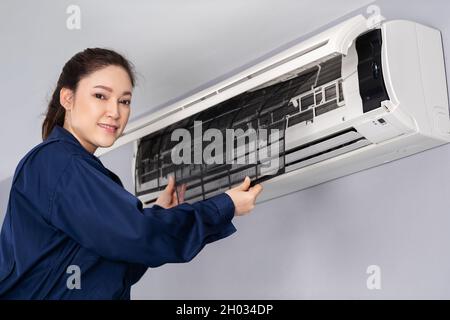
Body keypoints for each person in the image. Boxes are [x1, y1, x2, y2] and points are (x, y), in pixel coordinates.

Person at [0, 48, 263, 299]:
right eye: (100, 96)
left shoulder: (67, 168)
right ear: (67, 98)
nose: (115, 112)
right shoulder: (57, 162)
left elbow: (115, 264)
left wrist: (159, 213)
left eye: (124, 101)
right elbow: (138, 236)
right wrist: (224, 206)